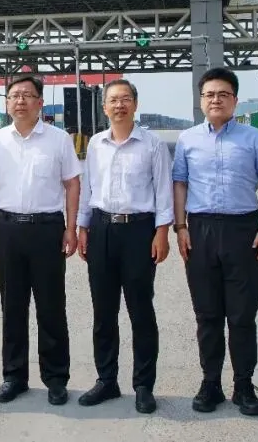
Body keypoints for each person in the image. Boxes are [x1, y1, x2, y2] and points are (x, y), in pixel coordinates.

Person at [172, 67, 258, 416]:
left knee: (242, 314)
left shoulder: (254, 138)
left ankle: (244, 385)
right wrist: (181, 227)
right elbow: (180, 183)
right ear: (200, 100)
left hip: (242, 230)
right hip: (200, 230)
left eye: (223, 94)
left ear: (235, 99)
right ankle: (211, 383)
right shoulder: (188, 140)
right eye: (209, 94)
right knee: (207, 314)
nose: (216, 100)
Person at [0, 74, 80, 406]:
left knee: (51, 306)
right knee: (12, 305)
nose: (20, 100)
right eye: (14, 95)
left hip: (47, 228)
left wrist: (71, 227)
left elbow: (72, 183)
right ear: (7, 103)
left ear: (40, 102)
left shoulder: (58, 139)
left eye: (27, 95)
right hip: (8, 228)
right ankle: (14, 376)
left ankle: (56, 378)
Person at [75, 80, 172, 415]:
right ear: (104, 107)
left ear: (135, 104)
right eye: (113, 100)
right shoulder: (96, 144)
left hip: (139, 231)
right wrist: (83, 227)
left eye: (125, 99)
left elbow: (163, 191)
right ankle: (107, 380)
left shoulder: (152, 144)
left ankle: (144, 385)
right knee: (103, 312)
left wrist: (162, 232)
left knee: (140, 310)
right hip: (101, 228)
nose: (119, 105)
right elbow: (88, 188)